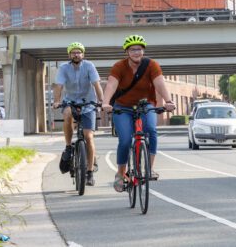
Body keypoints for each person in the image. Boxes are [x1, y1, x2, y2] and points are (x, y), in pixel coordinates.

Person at [102, 34, 176, 192]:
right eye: (133, 49)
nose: (136, 52)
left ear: (143, 51)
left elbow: (160, 83)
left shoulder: (151, 65)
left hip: (145, 105)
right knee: (125, 140)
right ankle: (121, 174)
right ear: (127, 52)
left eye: (139, 49)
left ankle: (149, 168)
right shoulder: (119, 66)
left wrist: (168, 101)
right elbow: (111, 85)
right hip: (123, 107)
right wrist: (106, 102)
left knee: (151, 129)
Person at [53, 42, 104, 186]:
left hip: (88, 103)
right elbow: (59, 86)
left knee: (88, 136)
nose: (76, 54)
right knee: (67, 113)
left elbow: (96, 84)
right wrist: (57, 101)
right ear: (69, 55)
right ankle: (69, 147)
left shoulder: (89, 66)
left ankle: (89, 172)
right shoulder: (63, 68)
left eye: (79, 52)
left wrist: (101, 101)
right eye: (73, 52)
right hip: (70, 101)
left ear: (83, 54)